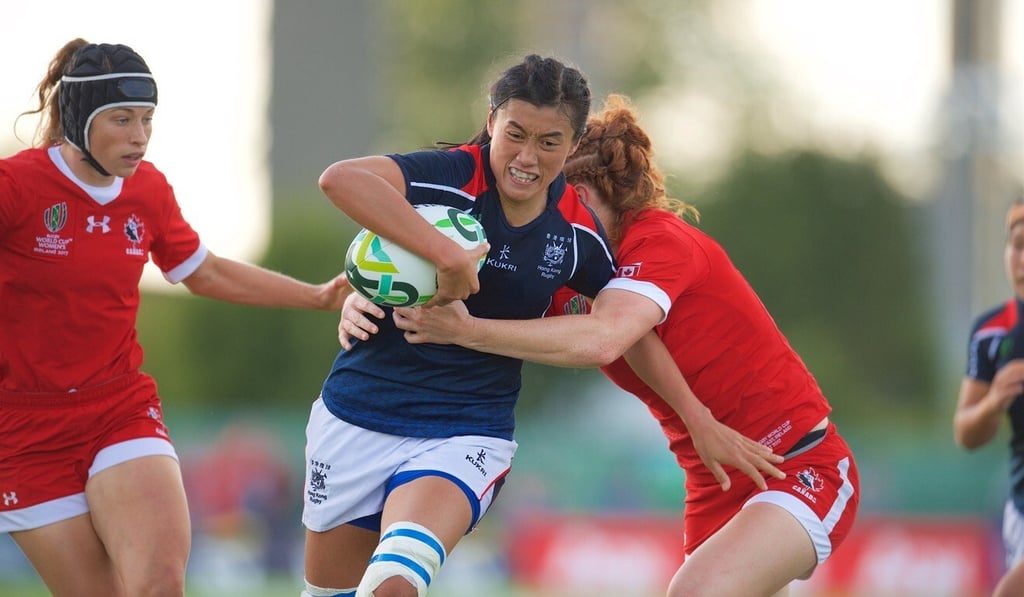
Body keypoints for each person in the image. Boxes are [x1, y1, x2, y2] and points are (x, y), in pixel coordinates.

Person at [373, 94, 860, 597]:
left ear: (578, 193)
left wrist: (467, 331)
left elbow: (608, 337)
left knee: (693, 592)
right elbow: (443, 269)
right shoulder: (565, 268)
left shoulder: (659, 241)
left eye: (554, 191)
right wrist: (361, 295)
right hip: (713, 482)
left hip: (797, 464)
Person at [0, 39, 352, 597]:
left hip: (118, 409)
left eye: (147, 119)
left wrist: (316, 296)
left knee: (160, 584)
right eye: (121, 119)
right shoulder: (15, 187)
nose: (139, 136)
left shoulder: (147, 189)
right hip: (23, 432)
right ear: (78, 117)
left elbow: (204, 272)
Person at [302, 54, 628, 597]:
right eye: (515, 134)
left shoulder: (576, 234)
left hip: (464, 430)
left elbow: (618, 331)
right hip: (355, 417)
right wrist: (445, 260)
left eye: (549, 142)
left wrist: (697, 418)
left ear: (572, 147)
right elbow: (341, 180)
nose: (527, 157)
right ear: (492, 119)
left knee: (393, 584)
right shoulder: (449, 176)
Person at [954, 199, 1024, 597]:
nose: (1022, 258)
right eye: (1017, 244)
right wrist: (993, 401)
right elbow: (966, 433)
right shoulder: (992, 334)